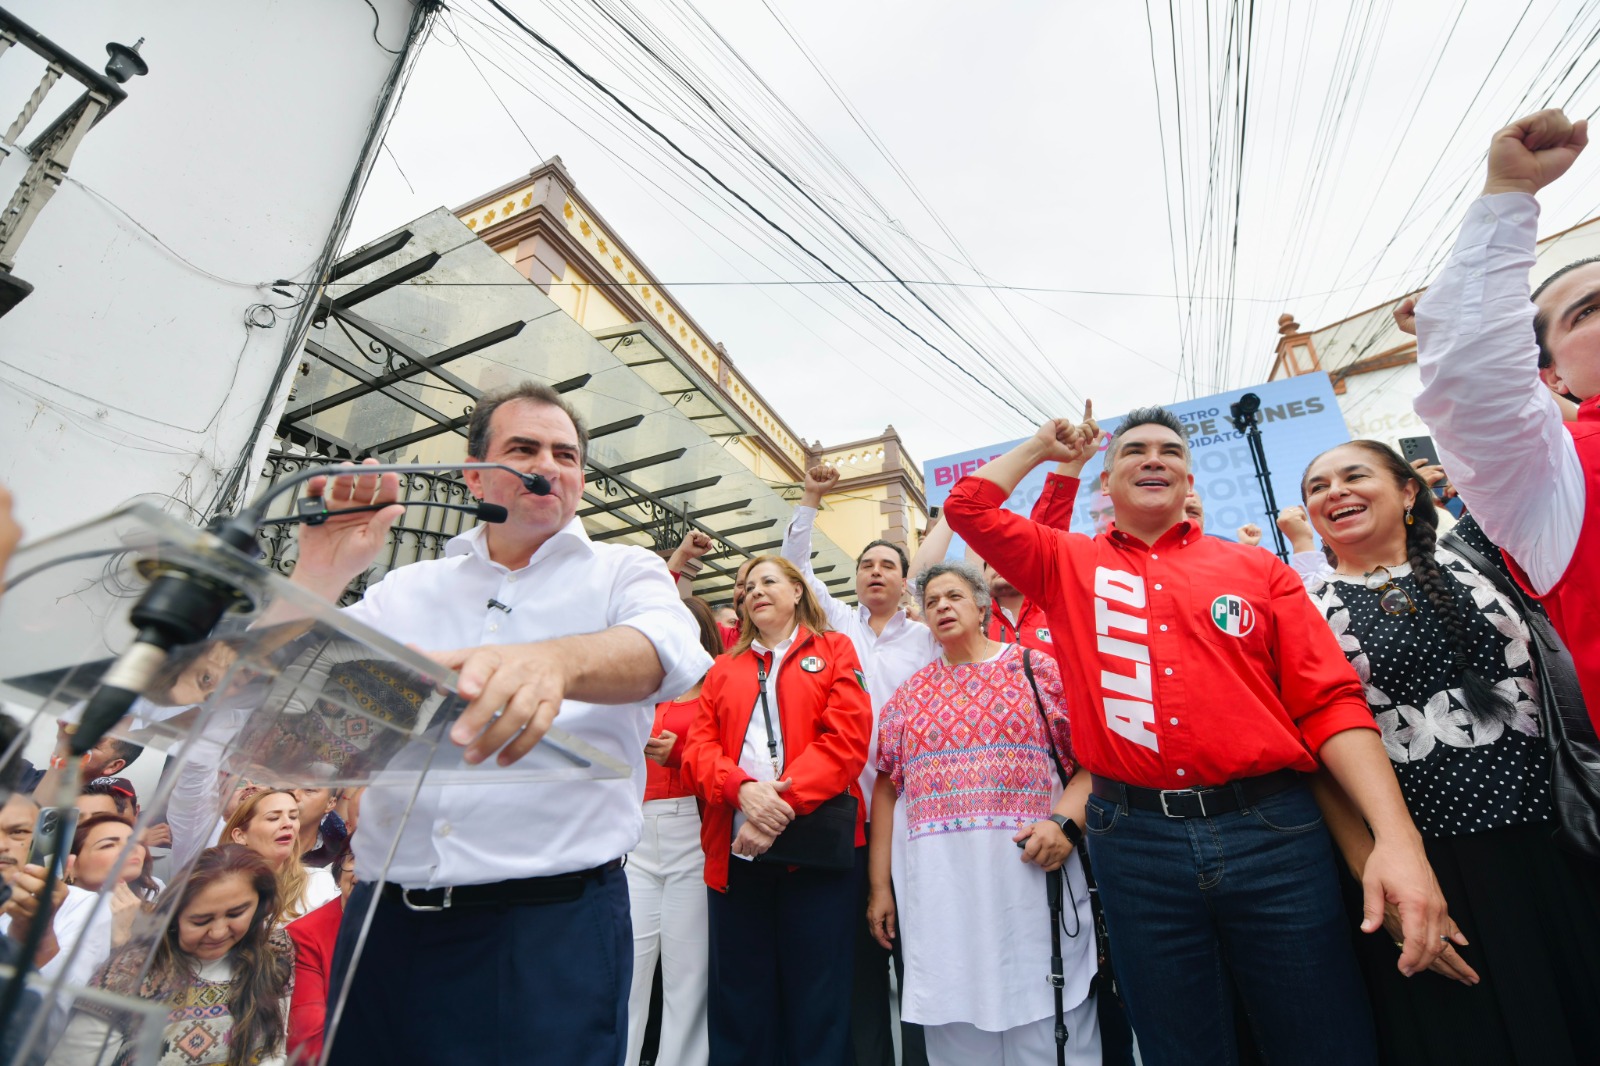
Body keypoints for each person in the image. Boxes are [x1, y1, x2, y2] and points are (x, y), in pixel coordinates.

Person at [944, 403, 1453, 1066]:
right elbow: (969, 508)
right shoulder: (1064, 563)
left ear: (1190, 483)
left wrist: (1396, 840)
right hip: (1135, 845)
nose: (1153, 458)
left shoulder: (1257, 571)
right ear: (1107, 483)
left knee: (1322, 1033)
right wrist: (1045, 448)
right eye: (1133, 451)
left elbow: (1328, 703)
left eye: (1169, 451)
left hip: (1274, 835)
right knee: (1181, 1044)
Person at [284, 381, 711, 1066]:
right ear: (475, 472)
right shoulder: (408, 588)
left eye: (566, 454)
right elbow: (286, 685)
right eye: (524, 448)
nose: (549, 464)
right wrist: (320, 570)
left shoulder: (620, 571)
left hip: (546, 934)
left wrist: (553, 663)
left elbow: (669, 650)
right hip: (385, 922)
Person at [1298, 440, 1600, 1063]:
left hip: (1564, 839)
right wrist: (1372, 879)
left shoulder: (1488, 555)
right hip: (1431, 873)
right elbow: (1320, 766)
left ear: (1410, 490)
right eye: (1318, 487)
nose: (1335, 493)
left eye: (1355, 476)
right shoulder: (1303, 612)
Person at [1410, 107, 1600, 726]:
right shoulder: (1558, 479)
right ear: (1552, 378)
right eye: (1589, 310)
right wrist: (1510, 196)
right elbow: (1474, 369)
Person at [869, 561, 1100, 1064]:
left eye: (953, 597)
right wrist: (881, 888)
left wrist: (1064, 824)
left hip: (1031, 887)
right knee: (956, 1031)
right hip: (943, 904)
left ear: (982, 607)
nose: (942, 608)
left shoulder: (1038, 671)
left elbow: (1092, 764)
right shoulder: (908, 699)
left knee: (1048, 1029)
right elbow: (885, 789)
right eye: (931, 603)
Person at [679, 555, 871, 1066]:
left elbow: (847, 742)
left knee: (819, 998)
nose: (757, 591)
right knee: (741, 999)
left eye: (770, 581)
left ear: (796, 591)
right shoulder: (721, 668)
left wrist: (775, 810)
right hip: (736, 856)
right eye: (750, 586)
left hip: (817, 856)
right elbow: (699, 750)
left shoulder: (835, 650)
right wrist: (742, 791)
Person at [781, 464, 938, 1066]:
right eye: (866, 565)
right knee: (860, 959)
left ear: (905, 581)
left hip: (916, 815)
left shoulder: (926, 639)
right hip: (849, 821)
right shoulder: (838, 626)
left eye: (888, 566)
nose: (876, 573)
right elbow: (797, 566)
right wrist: (811, 500)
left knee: (919, 956)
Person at [49, 844, 295, 1066]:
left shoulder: (273, 954)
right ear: (174, 917)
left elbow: (273, 1050)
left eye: (236, 914)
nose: (218, 932)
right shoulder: (131, 972)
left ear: (261, 904)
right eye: (200, 921)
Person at [624, 596, 722, 1066]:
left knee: (687, 976)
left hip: (692, 823)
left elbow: (724, 761)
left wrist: (680, 754)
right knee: (629, 973)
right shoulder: (642, 689)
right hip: (636, 831)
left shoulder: (715, 690)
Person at [286, 845, 358, 1065]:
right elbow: (307, 1040)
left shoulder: (417, 934)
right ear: (338, 876)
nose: (366, 871)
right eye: (356, 858)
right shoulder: (305, 935)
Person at [222, 789, 336, 925]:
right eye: (273, 818)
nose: (288, 824)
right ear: (240, 836)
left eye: (294, 817)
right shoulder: (215, 887)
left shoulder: (321, 884)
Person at [65, 813, 161, 950]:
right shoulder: (54, 918)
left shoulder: (157, 917)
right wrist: (119, 938)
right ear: (71, 865)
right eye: (108, 845)